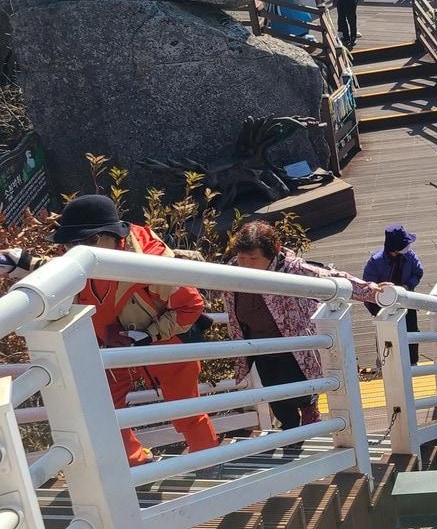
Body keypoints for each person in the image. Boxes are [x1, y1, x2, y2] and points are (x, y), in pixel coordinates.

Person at [0, 195, 218, 466]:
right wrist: (23, 263)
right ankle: (135, 463)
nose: (77, 250)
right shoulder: (77, 257)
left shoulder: (151, 261)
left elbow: (191, 305)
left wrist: (150, 334)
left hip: (165, 342)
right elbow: (63, 268)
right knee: (106, 407)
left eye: (88, 241)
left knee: (184, 407)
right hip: (108, 344)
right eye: (70, 243)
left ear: (116, 237)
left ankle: (209, 458)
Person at [220, 220, 385, 439]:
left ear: (272, 254)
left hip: (293, 344)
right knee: (275, 395)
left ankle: (309, 410)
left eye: (253, 259)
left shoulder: (291, 269)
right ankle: (290, 433)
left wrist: (372, 291)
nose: (246, 264)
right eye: (242, 258)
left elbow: (332, 279)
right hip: (259, 345)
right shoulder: (231, 270)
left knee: (299, 390)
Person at [362, 225, 425, 364]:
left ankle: (412, 363)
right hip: (383, 305)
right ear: (394, 247)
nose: (408, 247)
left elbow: (418, 272)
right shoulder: (375, 262)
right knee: (385, 335)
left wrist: (407, 285)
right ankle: (385, 364)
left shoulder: (409, 255)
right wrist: (379, 293)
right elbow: (368, 284)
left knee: (411, 330)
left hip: (407, 300)